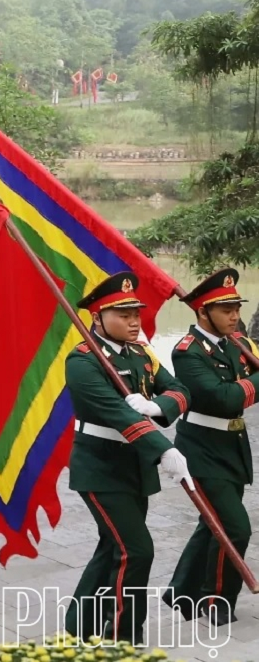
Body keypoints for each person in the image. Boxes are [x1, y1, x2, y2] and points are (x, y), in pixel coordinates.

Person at [63, 271, 193, 644]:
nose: (135, 321)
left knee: (112, 547)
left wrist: (156, 405)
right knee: (136, 551)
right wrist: (165, 449)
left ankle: (79, 625)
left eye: (136, 313)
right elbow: (118, 416)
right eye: (124, 315)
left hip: (134, 467)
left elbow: (179, 390)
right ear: (97, 317)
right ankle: (124, 636)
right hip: (101, 468)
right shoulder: (83, 362)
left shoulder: (141, 355)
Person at [165, 268, 259, 626]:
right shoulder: (187, 352)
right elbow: (222, 398)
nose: (235, 316)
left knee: (213, 522)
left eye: (236, 307)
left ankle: (181, 591)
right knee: (235, 527)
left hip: (233, 445)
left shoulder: (236, 343)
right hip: (201, 449)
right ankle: (216, 599)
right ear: (203, 312)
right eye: (226, 309)